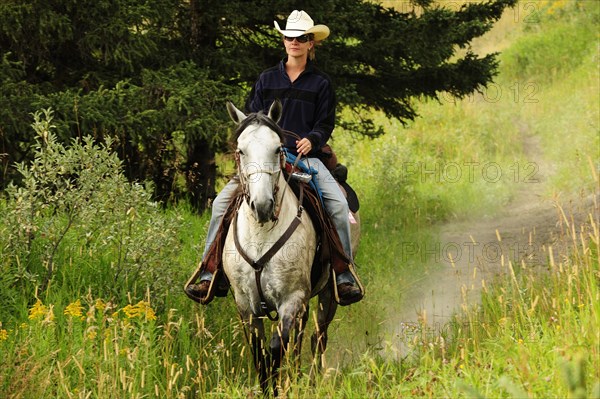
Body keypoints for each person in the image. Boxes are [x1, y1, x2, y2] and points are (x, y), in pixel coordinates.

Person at [185, 10, 363, 306]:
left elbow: (325, 123)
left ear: (310, 43)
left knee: (338, 203)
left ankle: (342, 274)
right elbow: (252, 119)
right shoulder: (267, 79)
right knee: (219, 205)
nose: (295, 42)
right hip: (263, 157)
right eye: (290, 37)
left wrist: (313, 139)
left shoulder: (321, 83)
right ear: (283, 41)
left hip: (305, 156)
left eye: (301, 38)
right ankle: (210, 271)